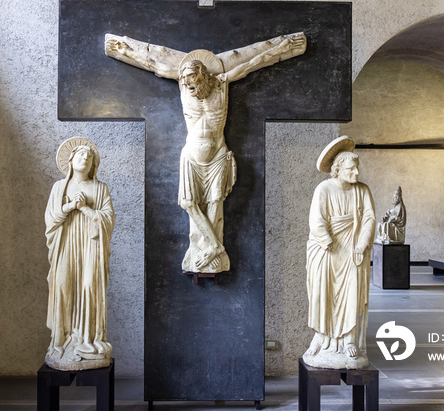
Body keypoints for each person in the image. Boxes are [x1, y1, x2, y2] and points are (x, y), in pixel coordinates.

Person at [105, 32, 306, 273]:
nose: (188, 83)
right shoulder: (182, 85)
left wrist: (280, 47)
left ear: (203, 74)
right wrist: (126, 51)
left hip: (218, 154)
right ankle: (213, 246)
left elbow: (252, 64)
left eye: (192, 78)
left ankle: (212, 251)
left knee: (215, 202)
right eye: (185, 79)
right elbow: (155, 65)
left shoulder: (222, 82)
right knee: (188, 203)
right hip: (191, 156)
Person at [304, 136, 376, 369]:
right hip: (328, 251)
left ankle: (348, 339)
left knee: (351, 295)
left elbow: (369, 220)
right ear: (337, 170)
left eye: (357, 168)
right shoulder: (323, 189)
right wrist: (327, 241)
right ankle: (321, 338)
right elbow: (316, 220)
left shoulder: (362, 191)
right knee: (322, 295)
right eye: (350, 168)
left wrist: (361, 245)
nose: (356, 172)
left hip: (352, 252)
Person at [44, 137, 115, 371]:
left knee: (88, 289)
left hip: (90, 248)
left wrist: (84, 207)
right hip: (66, 245)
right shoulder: (59, 187)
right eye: (81, 155)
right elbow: (51, 219)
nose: (85, 158)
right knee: (63, 288)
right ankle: (62, 342)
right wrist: (69, 206)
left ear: (93, 164)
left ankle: (87, 341)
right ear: (71, 160)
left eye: (89, 156)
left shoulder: (100, 188)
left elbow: (108, 220)